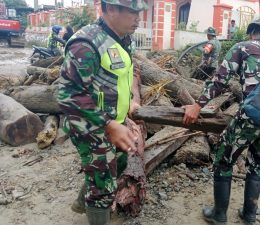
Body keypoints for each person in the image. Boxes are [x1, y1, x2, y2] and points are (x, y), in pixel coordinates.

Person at [183, 17, 260, 225]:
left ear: (251, 33)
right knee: (258, 164)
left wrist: (197, 104)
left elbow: (220, 80)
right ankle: (249, 215)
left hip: (253, 115)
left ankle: (219, 215)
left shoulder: (242, 47)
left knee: (223, 158)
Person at [57, 0, 148, 224]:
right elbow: (67, 95)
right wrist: (109, 124)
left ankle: (84, 199)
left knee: (118, 162)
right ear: (110, 8)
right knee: (103, 188)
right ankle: (95, 200)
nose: (138, 18)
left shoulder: (122, 38)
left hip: (112, 120)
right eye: (132, 11)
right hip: (89, 124)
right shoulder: (86, 44)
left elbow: (125, 75)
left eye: (139, 12)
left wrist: (127, 110)